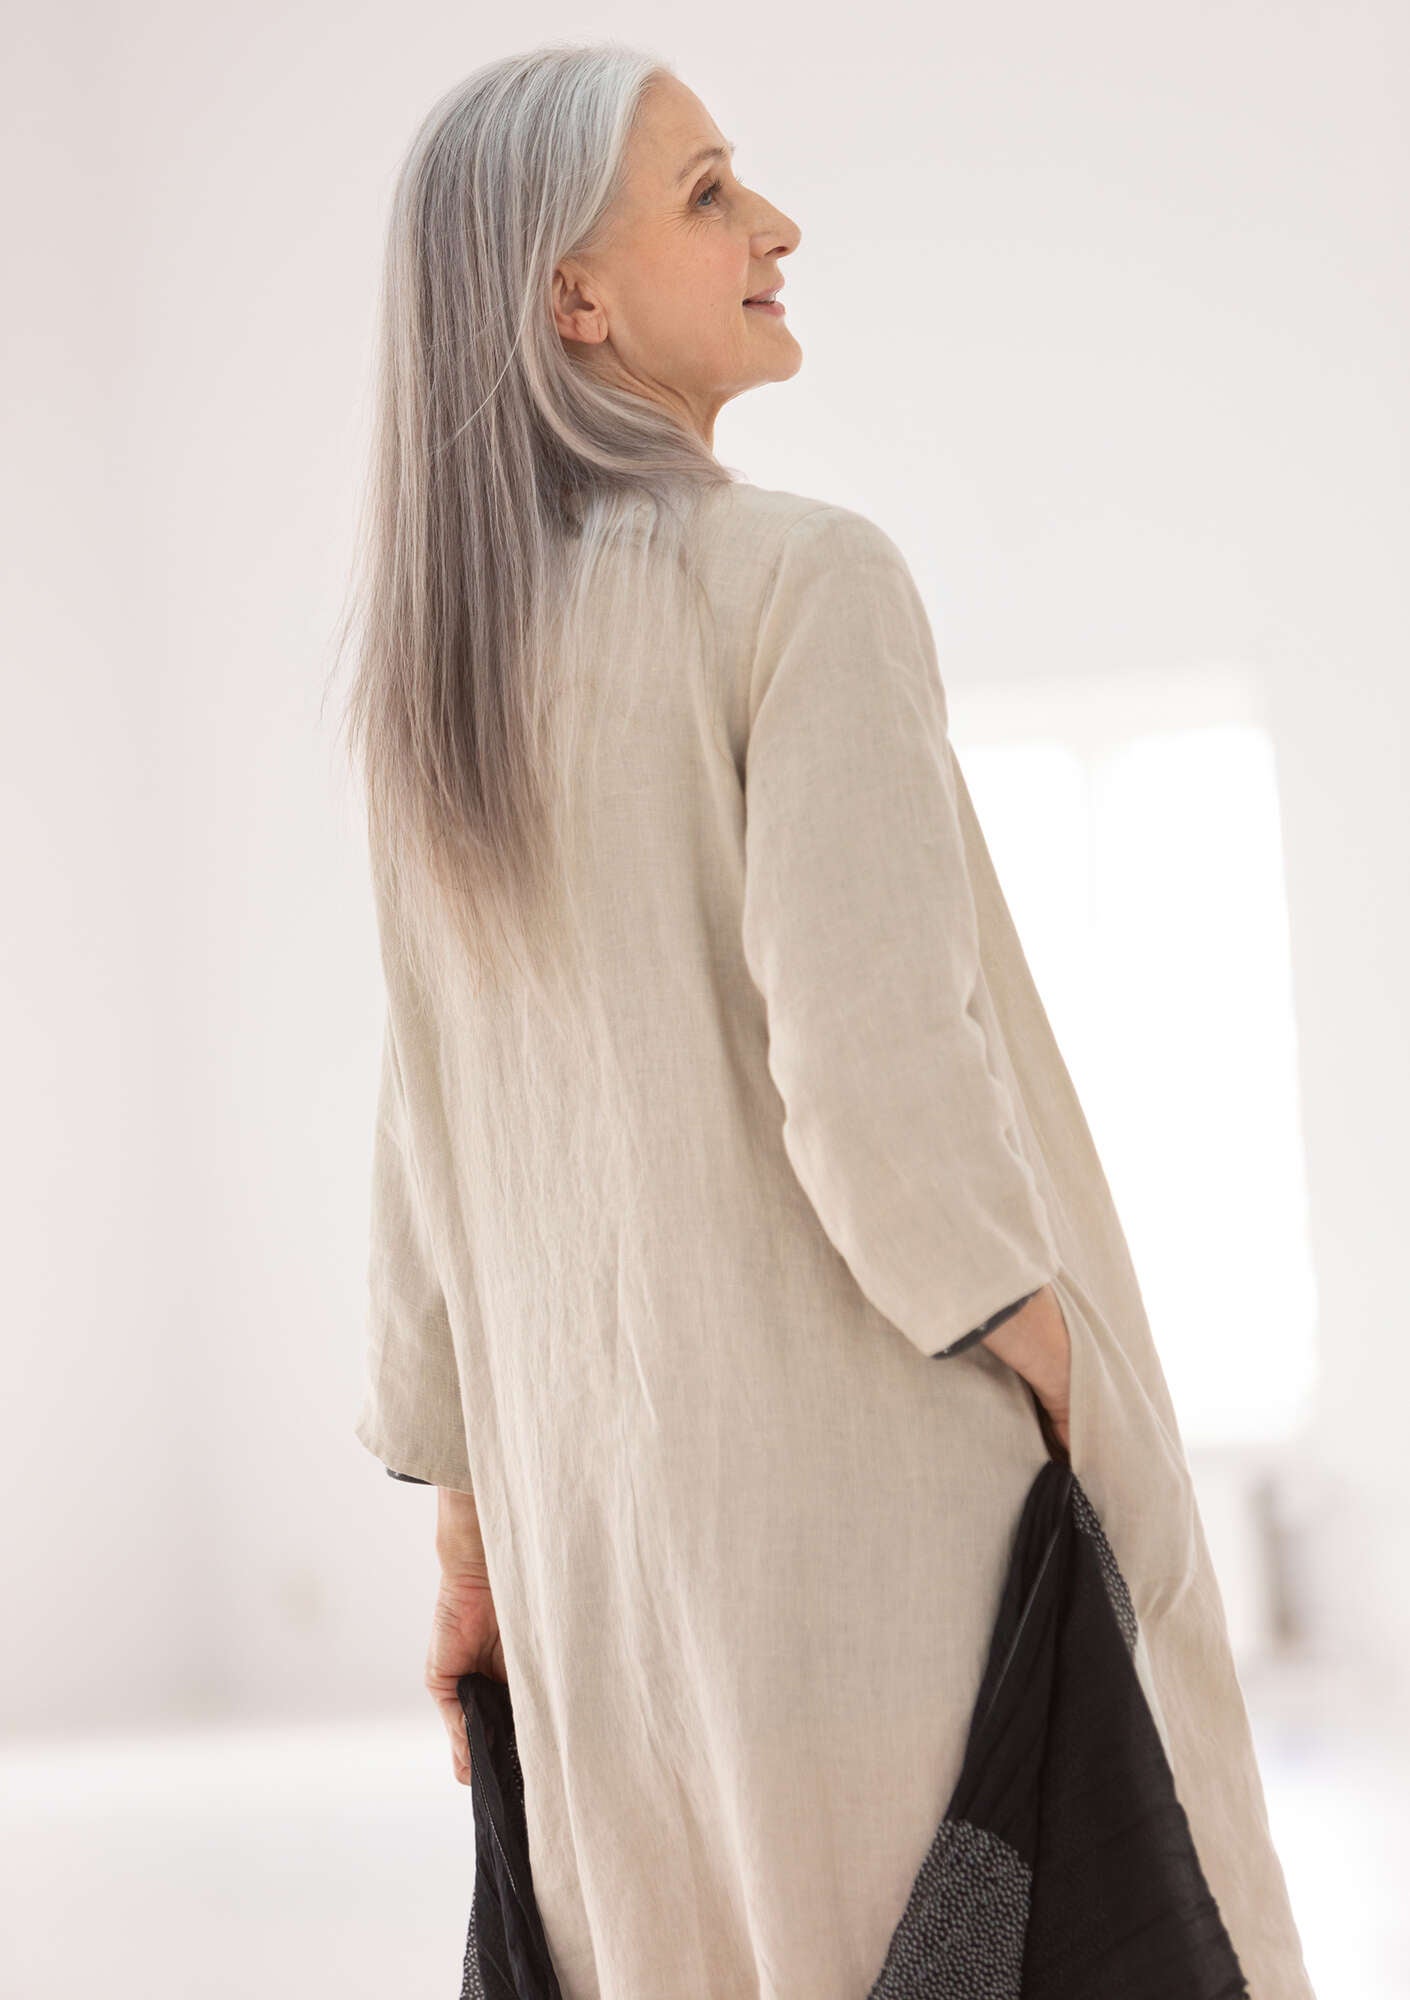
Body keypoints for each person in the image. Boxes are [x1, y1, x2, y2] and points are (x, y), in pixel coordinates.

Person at [341, 43, 1316, 2000]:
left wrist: (466, 1532)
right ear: (571, 296)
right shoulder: (803, 580)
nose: (774, 225)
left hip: (609, 1579)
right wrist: (1050, 1350)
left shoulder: (443, 690)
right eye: (708, 192)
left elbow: (425, 1147)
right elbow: (872, 1075)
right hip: (879, 1519)